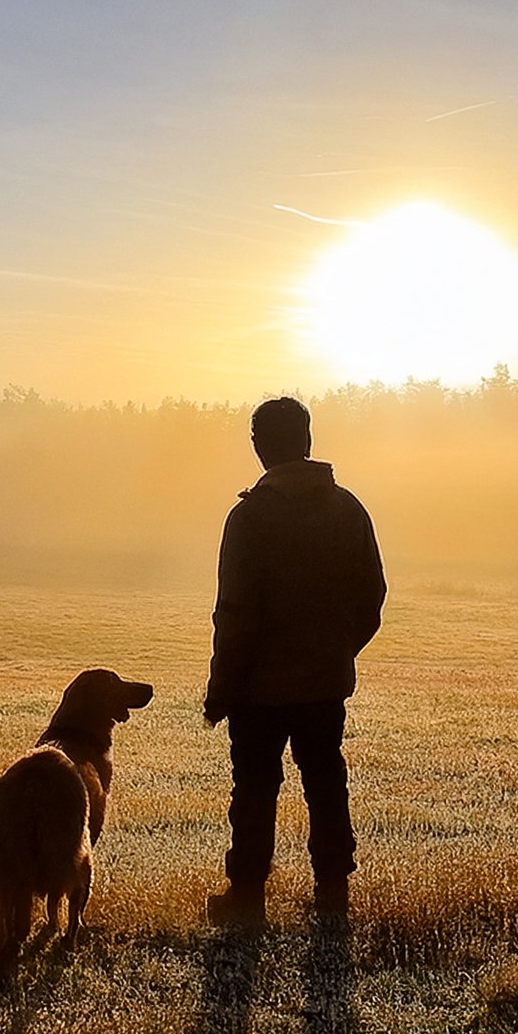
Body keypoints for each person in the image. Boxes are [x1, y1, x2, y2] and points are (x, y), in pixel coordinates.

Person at [203, 396, 386, 927]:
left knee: (255, 789)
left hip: (259, 691)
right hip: (325, 684)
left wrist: (221, 691)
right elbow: (372, 596)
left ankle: (246, 900)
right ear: (307, 440)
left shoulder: (250, 517)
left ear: (260, 447)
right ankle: (332, 893)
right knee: (326, 782)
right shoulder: (348, 508)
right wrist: (335, 651)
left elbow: (235, 613)